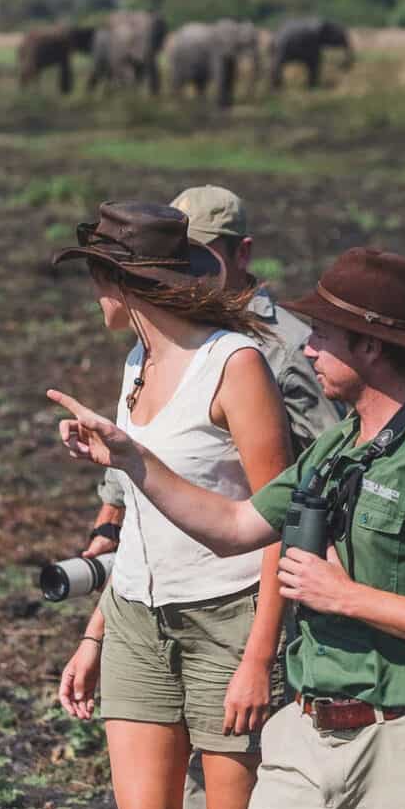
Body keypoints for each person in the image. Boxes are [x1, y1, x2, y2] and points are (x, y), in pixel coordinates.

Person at [49, 245, 405, 809]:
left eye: (322, 335)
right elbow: (235, 526)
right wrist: (132, 460)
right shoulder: (335, 446)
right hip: (306, 735)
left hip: (404, 741)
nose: (307, 347)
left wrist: (347, 598)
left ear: (369, 347)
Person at [51, 201, 293, 809]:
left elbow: (279, 521)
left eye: (96, 276)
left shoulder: (234, 366)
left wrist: (260, 658)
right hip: (136, 616)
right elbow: (143, 513)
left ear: (124, 283)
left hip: (228, 620)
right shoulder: (138, 359)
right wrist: (95, 635)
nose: (93, 292)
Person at [84, 184, 341, 562]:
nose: (182, 262)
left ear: (244, 252)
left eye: (199, 249)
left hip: (238, 560)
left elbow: (324, 461)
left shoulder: (285, 347)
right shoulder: (159, 333)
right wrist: (111, 516)